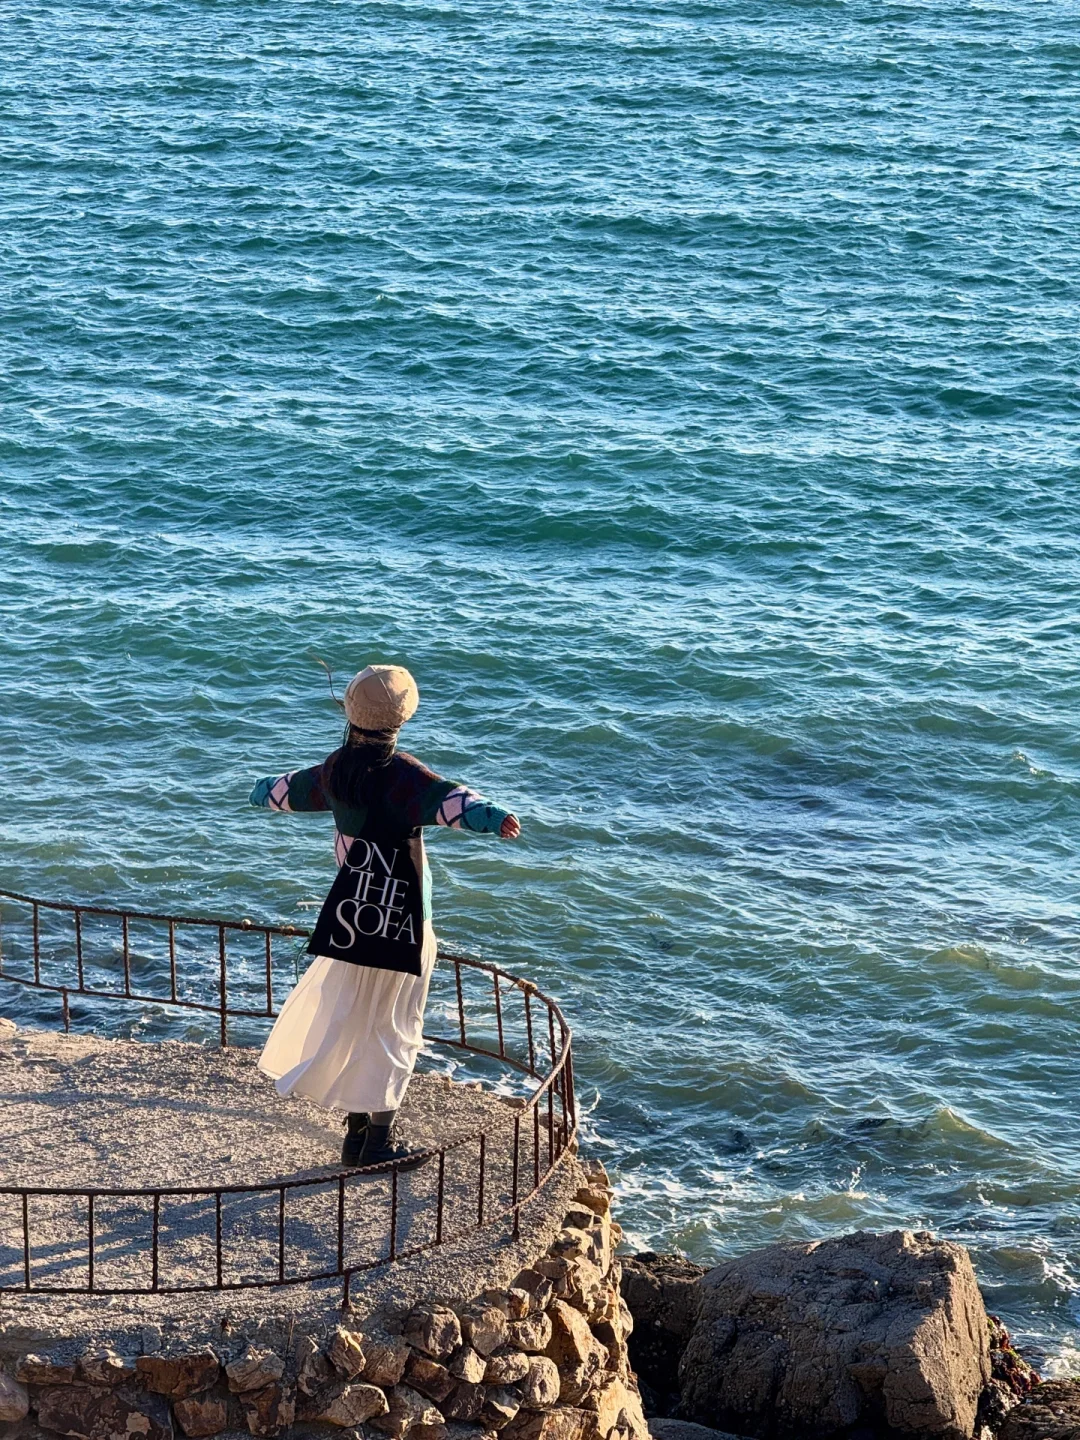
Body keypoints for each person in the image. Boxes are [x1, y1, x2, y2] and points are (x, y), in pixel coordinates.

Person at [249, 663, 520, 1167]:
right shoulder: (405, 777)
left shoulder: (335, 771)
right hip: (404, 924)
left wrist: (259, 789)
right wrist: (495, 818)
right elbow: (454, 803)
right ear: (402, 718)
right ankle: (377, 1142)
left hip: (353, 921)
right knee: (395, 1029)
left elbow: (278, 792)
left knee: (356, 1024)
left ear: (350, 712)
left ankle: (356, 1137)